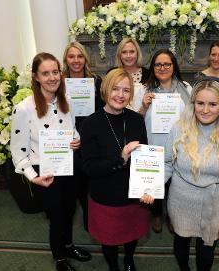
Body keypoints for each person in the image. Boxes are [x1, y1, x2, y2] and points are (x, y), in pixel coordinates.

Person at [10, 52, 91, 271]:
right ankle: (60, 258)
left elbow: (72, 130)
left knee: (70, 211)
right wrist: (33, 177)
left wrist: (77, 140)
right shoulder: (24, 108)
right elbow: (17, 150)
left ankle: (68, 245)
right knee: (56, 216)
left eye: (55, 72)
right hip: (44, 172)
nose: (52, 77)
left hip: (68, 165)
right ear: (35, 76)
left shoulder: (67, 100)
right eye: (46, 73)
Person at [164, 79, 219, 271]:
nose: (205, 110)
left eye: (213, 104)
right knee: (181, 244)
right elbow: (167, 164)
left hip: (213, 203)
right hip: (180, 202)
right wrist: (150, 186)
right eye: (200, 103)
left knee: (206, 252)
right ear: (193, 104)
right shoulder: (178, 128)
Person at [80, 68, 154, 271]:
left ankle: (129, 260)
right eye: (115, 89)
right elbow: (89, 167)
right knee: (109, 241)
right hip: (106, 196)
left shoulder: (136, 120)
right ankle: (113, 266)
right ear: (105, 89)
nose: (120, 95)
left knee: (132, 235)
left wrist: (148, 187)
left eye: (126, 90)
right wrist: (121, 159)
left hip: (133, 195)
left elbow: (145, 160)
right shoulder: (90, 124)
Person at [139, 48, 192, 233]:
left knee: (175, 185)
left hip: (179, 146)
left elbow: (193, 117)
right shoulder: (144, 89)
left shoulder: (186, 88)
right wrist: (143, 106)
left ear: (173, 66)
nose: (162, 67)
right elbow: (136, 119)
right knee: (156, 182)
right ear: (153, 67)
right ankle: (156, 215)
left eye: (166, 64)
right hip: (153, 144)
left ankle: (171, 215)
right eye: (158, 64)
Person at [62, 41, 105, 233]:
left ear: (85, 59)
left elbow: (103, 108)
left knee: (91, 181)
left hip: (91, 135)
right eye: (72, 56)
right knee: (74, 180)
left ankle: (92, 221)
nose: (76, 60)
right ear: (66, 59)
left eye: (80, 56)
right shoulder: (60, 82)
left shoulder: (96, 80)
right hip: (69, 136)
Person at [108, 37, 149, 111]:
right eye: (124, 52)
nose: (128, 56)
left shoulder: (148, 74)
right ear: (119, 55)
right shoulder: (112, 73)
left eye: (132, 52)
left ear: (137, 53)